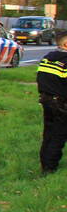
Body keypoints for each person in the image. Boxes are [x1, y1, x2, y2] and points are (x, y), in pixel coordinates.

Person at [36, 29, 67, 174]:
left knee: (48, 133)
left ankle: (45, 163)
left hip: (46, 100)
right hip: (62, 103)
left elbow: (40, 78)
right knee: (58, 136)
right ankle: (49, 168)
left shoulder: (47, 58)